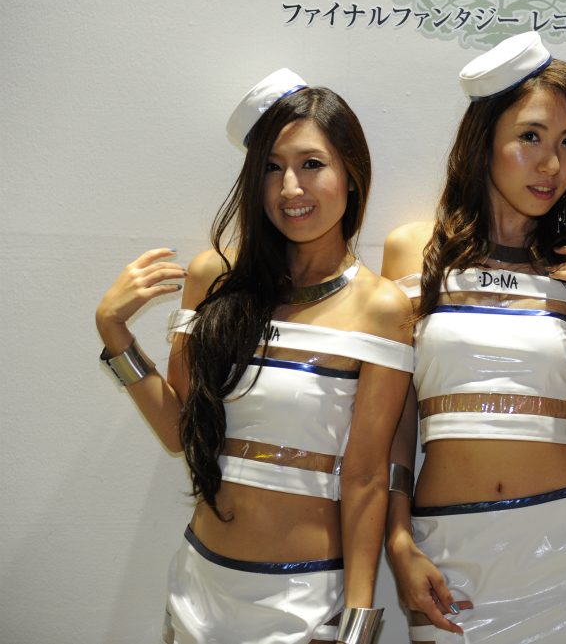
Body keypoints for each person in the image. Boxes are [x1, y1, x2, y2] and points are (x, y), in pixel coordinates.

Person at [94, 69, 413, 644]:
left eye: (311, 164)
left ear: (351, 174)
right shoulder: (214, 279)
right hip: (199, 588)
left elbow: (366, 475)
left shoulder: (380, 307)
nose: (290, 188)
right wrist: (114, 333)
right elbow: (180, 432)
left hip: (304, 602)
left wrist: (359, 622)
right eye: (271, 167)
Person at [381, 32, 566, 644]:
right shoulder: (415, 252)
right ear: (483, 140)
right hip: (445, 550)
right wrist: (398, 537)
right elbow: (394, 415)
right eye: (531, 137)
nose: (552, 165)